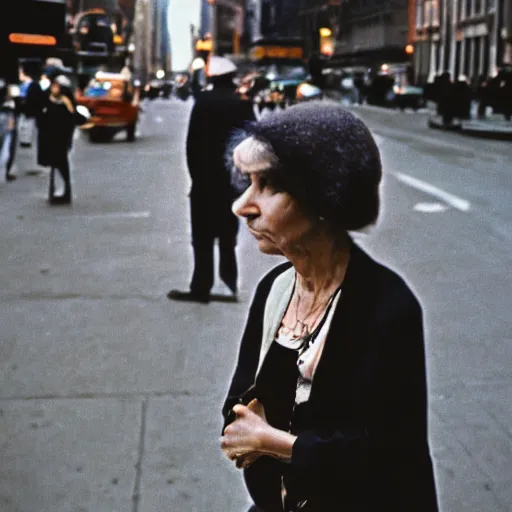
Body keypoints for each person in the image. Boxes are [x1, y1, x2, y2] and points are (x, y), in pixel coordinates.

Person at [220, 102, 438, 511]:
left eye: (268, 185)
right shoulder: (275, 289)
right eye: (247, 183)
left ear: (325, 198)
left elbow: (389, 455)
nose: (243, 205)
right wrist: (245, 429)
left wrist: (275, 442)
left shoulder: (387, 307)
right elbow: (238, 406)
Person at [167, 56, 256, 304]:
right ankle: (229, 284)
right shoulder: (242, 103)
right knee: (228, 235)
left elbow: (192, 144)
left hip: (205, 181)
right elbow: (253, 140)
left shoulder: (204, 102)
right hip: (232, 181)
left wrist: (196, 176)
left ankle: (201, 287)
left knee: (202, 236)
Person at [37, 74, 76, 205]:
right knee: (54, 163)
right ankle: (55, 191)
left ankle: (65, 190)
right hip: (50, 137)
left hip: (61, 138)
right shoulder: (48, 99)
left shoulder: (66, 102)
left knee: (61, 163)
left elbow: (71, 120)